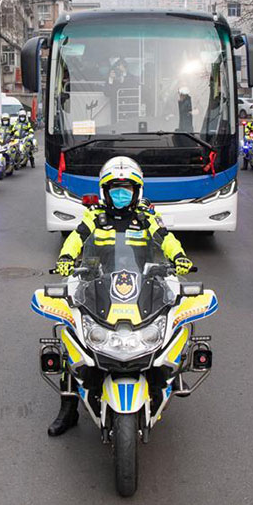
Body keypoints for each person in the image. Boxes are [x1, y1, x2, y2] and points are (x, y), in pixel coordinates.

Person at [49, 156, 194, 436]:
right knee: (70, 333)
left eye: (126, 189)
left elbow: (166, 239)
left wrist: (179, 256)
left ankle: (163, 381)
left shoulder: (147, 217)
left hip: (143, 280)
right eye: (114, 189)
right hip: (98, 281)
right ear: (105, 191)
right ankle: (68, 410)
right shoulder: (94, 216)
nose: (120, 194)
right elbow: (77, 238)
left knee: (169, 323)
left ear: (137, 191)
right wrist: (67, 257)